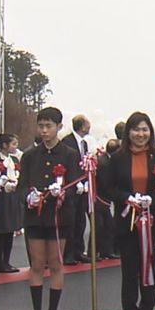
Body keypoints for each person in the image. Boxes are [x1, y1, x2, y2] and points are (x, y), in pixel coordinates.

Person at [103, 112, 155, 310]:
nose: (140, 134)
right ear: (128, 132)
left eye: (145, 129)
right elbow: (109, 188)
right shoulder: (117, 158)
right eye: (136, 130)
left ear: (150, 132)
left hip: (151, 219)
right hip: (127, 219)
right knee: (129, 267)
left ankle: (147, 309)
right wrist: (128, 198)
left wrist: (151, 200)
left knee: (149, 264)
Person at [18, 107, 83, 310]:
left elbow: (76, 185)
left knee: (56, 263)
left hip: (59, 217)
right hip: (35, 217)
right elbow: (22, 185)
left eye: (49, 126)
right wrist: (29, 195)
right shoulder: (29, 156)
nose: (44, 131)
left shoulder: (70, 154)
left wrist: (63, 193)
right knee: (36, 264)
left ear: (58, 127)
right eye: (41, 126)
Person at [61, 114, 94, 265]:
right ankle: (68, 254)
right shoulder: (67, 142)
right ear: (82, 126)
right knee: (71, 221)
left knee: (80, 220)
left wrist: (86, 181)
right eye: (87, 124)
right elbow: (67, 164)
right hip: (71, 187)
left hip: (83, 187)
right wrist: (75, 182)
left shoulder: (84, 144)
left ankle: (79, 251)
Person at [0, 133, 23, 273]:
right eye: (13, 144)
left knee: (10, 229)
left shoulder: (14, 159)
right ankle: (0, 262)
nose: (16, 147)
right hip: (1, 196)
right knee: (2, 230)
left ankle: (6, 261)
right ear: (4, 145)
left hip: (13, 195)